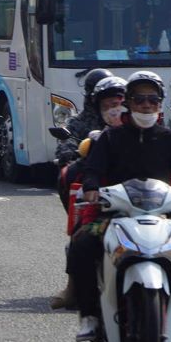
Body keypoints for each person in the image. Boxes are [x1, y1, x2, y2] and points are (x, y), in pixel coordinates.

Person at [66, 71, 171, 342]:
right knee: (81, 246)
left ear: (160, 103)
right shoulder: (110, 138)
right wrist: (91, 187)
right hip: (113, 214)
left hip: (164, 216)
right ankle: (89, 316)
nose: (146, 105)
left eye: (152, 99)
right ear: (128, 102)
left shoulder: (170, 139)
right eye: (139, 99)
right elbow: (93, 170)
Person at [49, 75, 127, 311]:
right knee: (80, 236)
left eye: (118, 102)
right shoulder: (92, 132)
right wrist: (73, 155)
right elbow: (72, 148)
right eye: (107, 103)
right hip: (101, 191)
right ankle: (73, 288)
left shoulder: (145, 130)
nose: (114, 108)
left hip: (142, 197)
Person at [53, 68, 113, 170]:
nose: (107, 103)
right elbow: (67, 140)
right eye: (102, 99)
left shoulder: (121, 119)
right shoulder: (78, 122)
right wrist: (67, 152)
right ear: (91, 97)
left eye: (112, 99)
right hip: (91, 169)